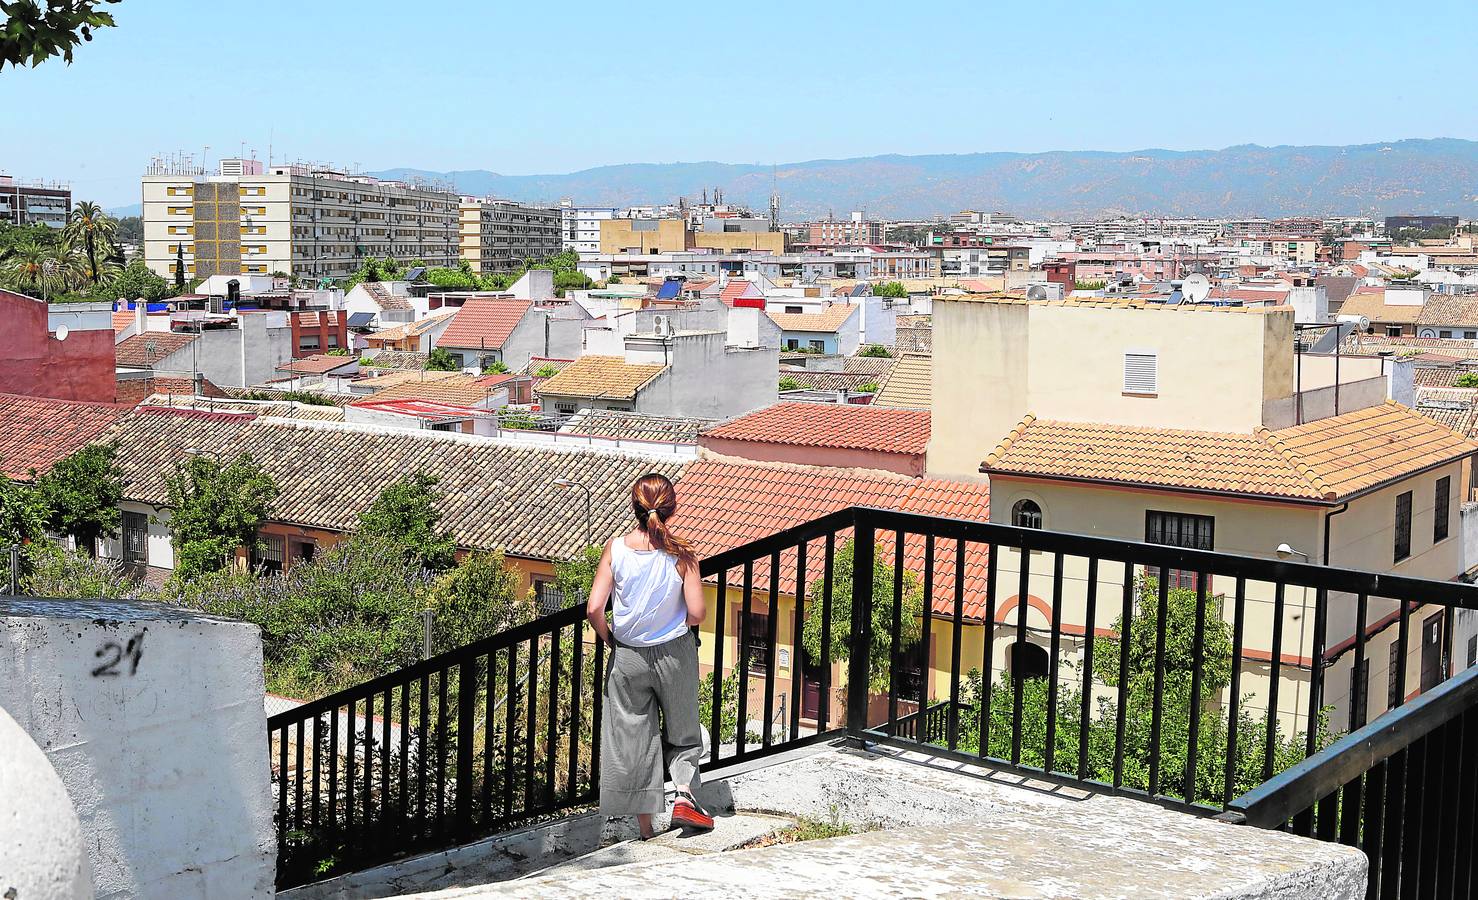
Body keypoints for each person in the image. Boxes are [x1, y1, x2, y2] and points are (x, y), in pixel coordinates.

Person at [586, 472, 714, 839]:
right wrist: (673, 625)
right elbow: (697, 613)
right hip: (674, 651)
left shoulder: (616, 549)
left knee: (633, 736)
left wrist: (612, 639)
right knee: (684, 731)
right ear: (671, 509)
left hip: (628, 655)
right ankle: (685, 797)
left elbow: (595, 607)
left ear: (634, 507)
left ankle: (645, 828)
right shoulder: (682, 555)